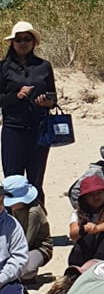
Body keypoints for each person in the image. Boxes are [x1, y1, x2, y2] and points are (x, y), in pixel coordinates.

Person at [0, 21, 56, 206]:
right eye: (18, 40)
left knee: (36, 182)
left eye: (26, 39)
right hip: (13, 130)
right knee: (13, 183)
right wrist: (17, 96)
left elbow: (53, 96)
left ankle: (38, 231)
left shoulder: (44, 66)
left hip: (39, 130)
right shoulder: (3, 68)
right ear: (12, 43)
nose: (22, 43)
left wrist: (49, 102)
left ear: (33, 42)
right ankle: (12, 229)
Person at [2, 174, 52, 281]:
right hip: (19, 244)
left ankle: (32, 272)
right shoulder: (16, 208)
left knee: (22, 270)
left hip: (39, 248)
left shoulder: (33, 212)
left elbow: (27, 241)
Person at [68, 174, 104, 267]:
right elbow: (73, 233)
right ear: (85, 199)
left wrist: (96, 228)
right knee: (88, 236)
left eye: (99, 193)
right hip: (83, 254)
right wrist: (84, 229)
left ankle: (98, 265)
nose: (96, 197)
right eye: (91, 195)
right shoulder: (77, 213)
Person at [0, 180, 30, 294]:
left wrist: (2, 278)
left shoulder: (12, 224)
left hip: (3, 278)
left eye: (1, 201)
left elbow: (20, 257)